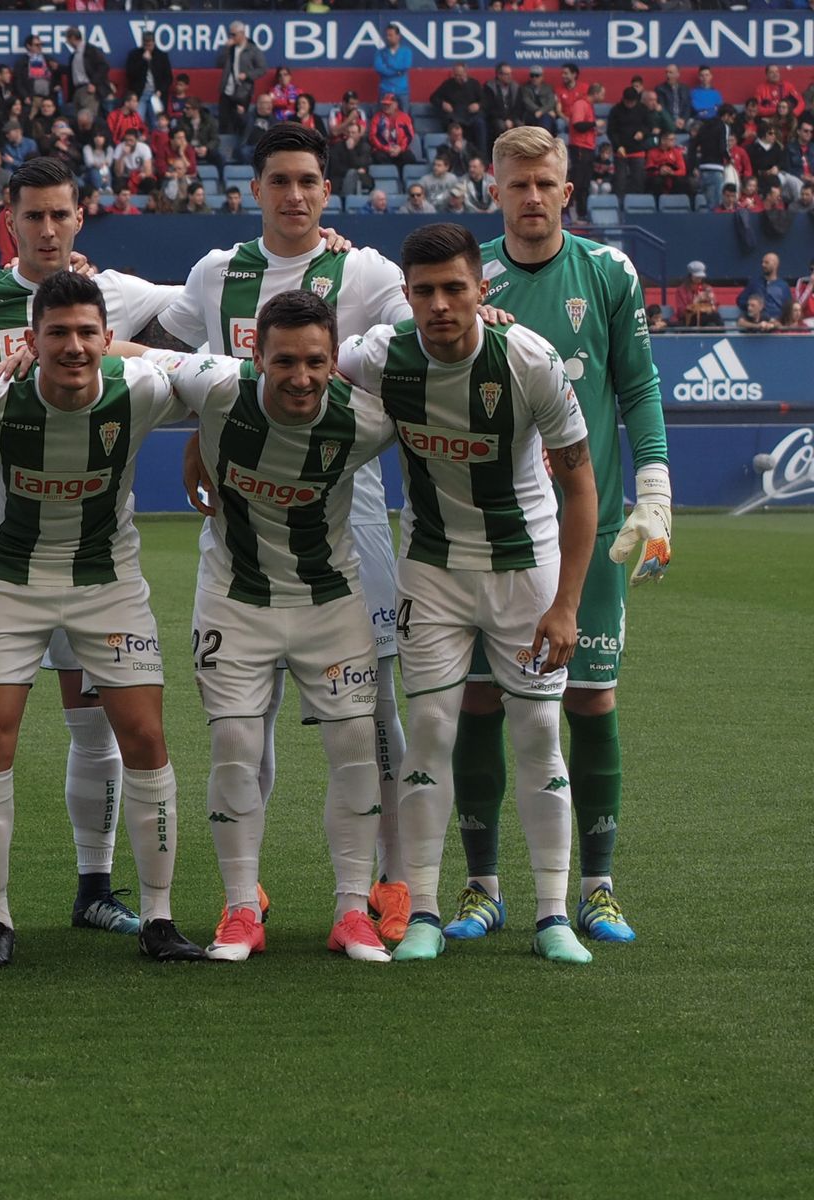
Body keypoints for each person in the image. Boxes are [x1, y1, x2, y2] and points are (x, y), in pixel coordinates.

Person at [0, 157, 184, 947]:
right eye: (35, 217)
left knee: (104, 727)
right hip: (5, 558)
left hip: (102, 565)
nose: (49, 229)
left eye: (62, 215)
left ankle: (100, 887)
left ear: (80, 217)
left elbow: (214, 321)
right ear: (8, 221)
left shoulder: (118, 293)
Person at [161, 122, 416, 950]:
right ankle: (247, 891)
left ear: (327, 189)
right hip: (242, 527)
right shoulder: (215, 273)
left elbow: (425, 332)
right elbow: (165, 348)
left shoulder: (367, 269)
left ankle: (389, 884)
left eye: (310, 180)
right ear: (255, 189)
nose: (296, 195)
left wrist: (341, 365)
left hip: (351, 519)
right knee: (246, 725)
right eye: (281, 181)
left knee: (371, 717)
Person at [336, 222, 597, 966]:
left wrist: (567, 604)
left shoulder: (529, 359)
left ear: (484, 291)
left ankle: (553, 915)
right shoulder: (384, 354)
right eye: (425, 292)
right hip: (433, 569)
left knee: (538, 732)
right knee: (433, 732)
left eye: (456, 288)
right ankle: (422, 911)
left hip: (525, 567)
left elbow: (580, 486)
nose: (441, 305)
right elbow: (298, 373)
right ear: (407, 297)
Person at [125, 292, 399, 963]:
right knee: (236, 750)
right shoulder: (217, 386)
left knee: (356, 751)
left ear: (336, 363)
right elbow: (127, 352)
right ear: (255, 357)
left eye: (315, 362)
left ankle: (351, 912)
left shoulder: (367, 421)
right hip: (235, 602)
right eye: (284, 362)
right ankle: (242, 909)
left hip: (330, 605)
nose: (300, 376)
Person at [453, 126, 671, 946]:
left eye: (546, 184)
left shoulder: (608, 272)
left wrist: (653, 490)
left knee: (589, 699)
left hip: (590, 530)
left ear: (566, 191)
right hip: (493, 537)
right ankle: (482, 888)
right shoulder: (466, 278)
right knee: (478, 699)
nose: (533, 198)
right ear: (495, 191)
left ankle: (598, 889)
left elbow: (639, 386)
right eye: (518, 186)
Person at [0, 271, 204, 968]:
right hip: (11, 581)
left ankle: (158, 916)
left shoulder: (142, 392)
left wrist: (144, 359)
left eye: (87, 333)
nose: (73, 346)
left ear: (108, 339)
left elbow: (234, 378)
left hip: (108, 585)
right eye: (56, 333)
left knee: (146, 738)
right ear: (29, 340)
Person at [217, 21, 266, 135]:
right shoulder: (231, 49)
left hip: (242, 91)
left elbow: (262, 69)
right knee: (224, 120)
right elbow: (219, 63)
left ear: (242, 34)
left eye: (234, 35)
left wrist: (247, 75)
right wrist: (226, 49)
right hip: (227, 89)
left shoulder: (252, 50)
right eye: (230, 34)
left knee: (240, 120)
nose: (231, 37)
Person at [431, 63, 487, 158]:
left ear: (466, 73)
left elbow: (485, 100)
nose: (458, 78)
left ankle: (482, 157)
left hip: (471, 115)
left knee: (480, 124)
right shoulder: (448, 84)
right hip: (455, 116)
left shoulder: (474, 84)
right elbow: (433, 98)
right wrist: (443, 104)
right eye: (456, 75)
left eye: (460, 75)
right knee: (453, 125)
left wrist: (478, 105)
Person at [566, 82, 601, 220]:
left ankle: (581, 214)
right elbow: (578, 124)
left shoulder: (589, 106)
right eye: (602, 93)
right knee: (577, 181)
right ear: (596, 93)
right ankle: (566, 212)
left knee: (585, 183)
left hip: (588, 147)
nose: (603, 96)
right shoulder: (580, 104)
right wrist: (594, 124)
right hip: (580, 147)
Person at [62, 26, 112, 119]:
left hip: (88, 90)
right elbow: (73, 72)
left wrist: (94, 83)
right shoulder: (74, 55)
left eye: (67, 39)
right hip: (77, 91)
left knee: (89, 118)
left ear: (72, 38)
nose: (67, 42)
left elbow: (104, 66)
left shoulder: (91, 50)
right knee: (78, 120)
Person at [125, 29, 172, 119]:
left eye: (150, 44)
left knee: (158, 121)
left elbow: (168, 77)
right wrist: (143, 61)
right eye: (145, 45)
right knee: (138, 120)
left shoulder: (161, 56)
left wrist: (160, 90)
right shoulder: (134, 55)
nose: (147, 47)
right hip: (140, 94)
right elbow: (130, 74)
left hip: (156, 95)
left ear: (154, 42)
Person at [739, 252, 794, 323]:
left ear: (775, 265)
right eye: (762, 262)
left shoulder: (783, 286)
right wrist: (754, 306)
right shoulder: (754, 283)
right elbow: (741, 301)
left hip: (777, 324)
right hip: (757, 323)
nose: (763, 265)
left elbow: (788, 308)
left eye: (766, 263)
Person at [369, 94, 416, 170]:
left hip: (399, 150)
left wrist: (400, 148)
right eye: (384, 104)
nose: (386, 106)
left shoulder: (404, 117)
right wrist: (387, 149)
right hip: (383, 150)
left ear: (396, 105)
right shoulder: (377, 118)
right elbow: (372, 136)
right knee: (378, 157)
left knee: (409, 157)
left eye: (389, 104)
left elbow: (409, 135)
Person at [373, 24, 411, 113]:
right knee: (382, 118)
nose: (388, 38)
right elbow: (379, 68)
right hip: (385, 90)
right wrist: (397, 72)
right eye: (387, 35)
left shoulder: (406, 51)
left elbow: (405, 66)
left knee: (404, 118)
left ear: (398, 36)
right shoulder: (380, 52)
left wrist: (388, 64)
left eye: (391, 35)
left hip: (402, 91)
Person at [484, 64, 521, 147]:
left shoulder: (515, 87)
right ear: (499, 75)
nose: (509, 77)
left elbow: (519, 107)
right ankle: (501, 153)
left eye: (510, 74)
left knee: (520, 126)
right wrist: (505, 119)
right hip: (496, 117)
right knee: (500, 126)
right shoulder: (490, 87)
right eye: (507, 74)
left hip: (512, 117)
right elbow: (490, 108)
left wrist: (510, 119)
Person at [676, 261, 722, 328]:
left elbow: (715, 306)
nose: (699, 279)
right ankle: (723, 334)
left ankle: (723, 334)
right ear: (691, 275)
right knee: (714, 318)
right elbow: (681, 312)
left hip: (706, 316)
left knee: (713, 320)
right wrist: (695, 301)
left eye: (701, 277)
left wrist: (711, 300)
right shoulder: (681, 290)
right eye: (697, 276)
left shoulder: (707, 288)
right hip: (690, 318)